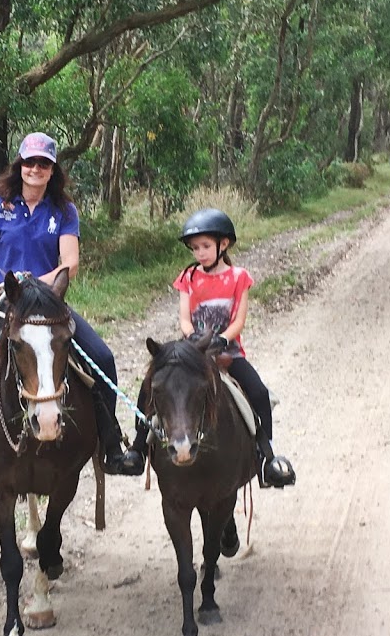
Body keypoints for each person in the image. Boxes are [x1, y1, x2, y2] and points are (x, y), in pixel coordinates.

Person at [0, 132, 143, 481]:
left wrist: (35, 283)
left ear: (52, 169)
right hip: (5, 308)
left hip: (48, 306)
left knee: (101, 357)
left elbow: (70, 264)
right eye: (30, 162)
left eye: (43, 163)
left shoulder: (64, 210)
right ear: (20, 165)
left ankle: (111, 447)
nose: (35, 169)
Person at [121, 208, 296, 488]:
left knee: (259, 393)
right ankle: (138, 449)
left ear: (223, 244)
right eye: (195, 248)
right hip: (193, 352)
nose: (199, 253)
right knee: (149, 386)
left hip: (229, 351)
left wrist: (223, 339)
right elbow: (184, 318)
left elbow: (239, 318)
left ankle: (267, 457)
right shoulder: (188, 277)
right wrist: (193, 340)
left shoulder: (239, 277)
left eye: (205, 246)